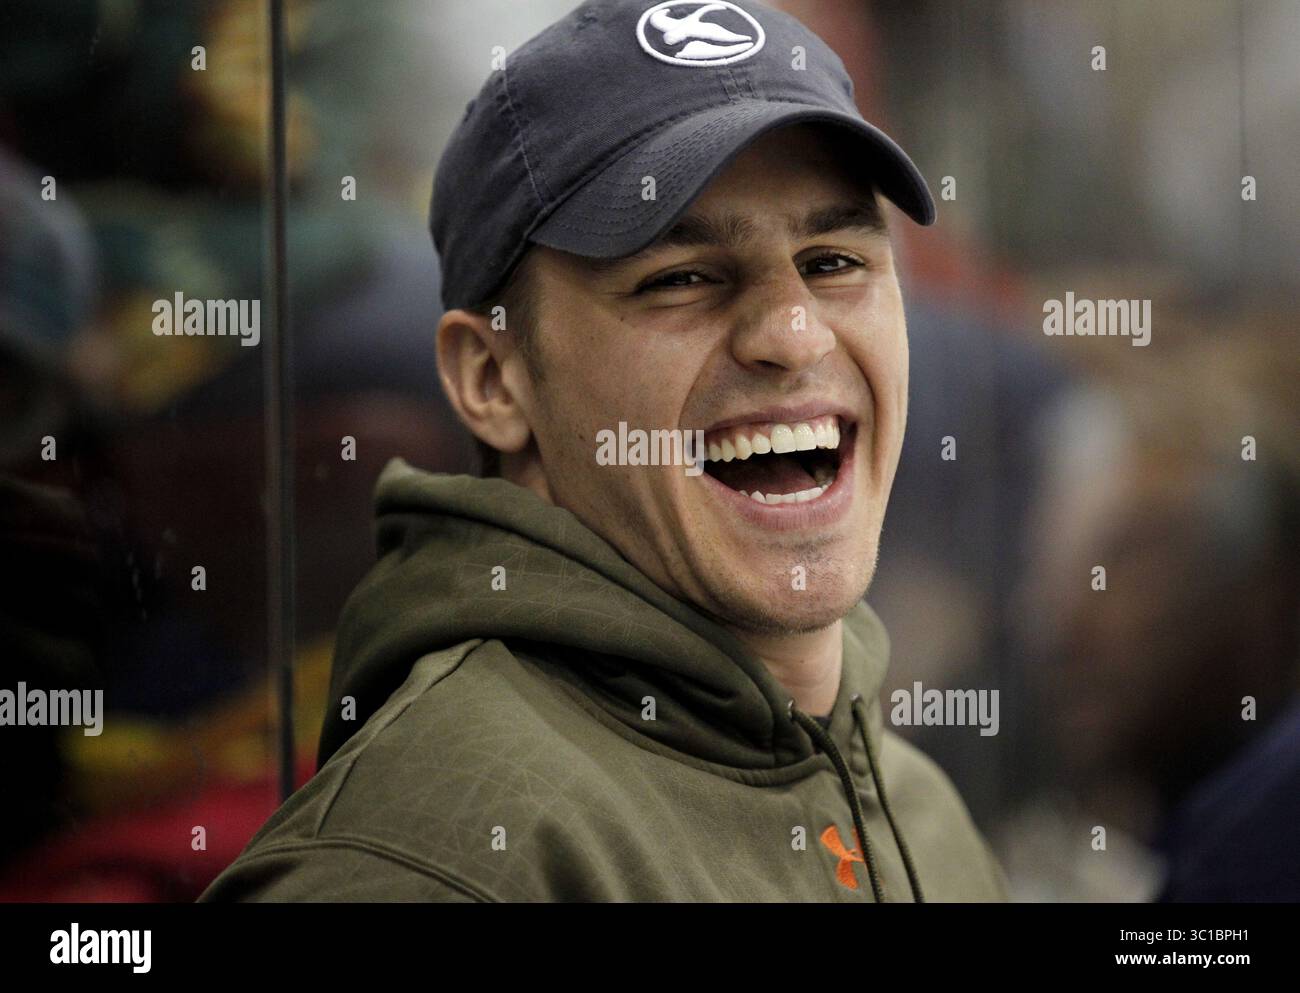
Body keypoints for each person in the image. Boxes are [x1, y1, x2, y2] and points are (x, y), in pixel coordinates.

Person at [199, 0, 1007, 902]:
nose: (794, 333)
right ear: (492, 379)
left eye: (833, 262)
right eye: (682, 278)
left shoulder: (920, 810)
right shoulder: (421, 866)